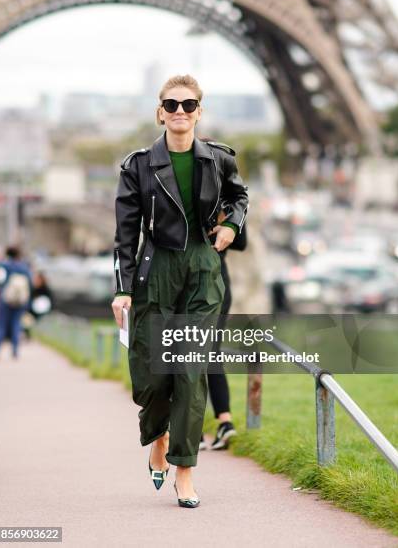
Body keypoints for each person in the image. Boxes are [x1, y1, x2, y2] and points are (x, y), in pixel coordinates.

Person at [111, 74, 249, 508]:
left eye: (188, 105)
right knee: (152, 377)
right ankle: (158, 434)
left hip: (203, 269)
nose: (180, 112)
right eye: (171, 105)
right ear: (160, 112)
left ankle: (185, 469)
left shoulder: (220, 159)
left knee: (191, 373)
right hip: (157, 268)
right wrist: (122, 289)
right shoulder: (137, 165)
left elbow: (240, 197)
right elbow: (125, 234)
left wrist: (229, 225)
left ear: (199, 112)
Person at [200, 209, 248, 451]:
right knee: (212, 353)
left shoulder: (195, 194)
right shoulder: (230, 203)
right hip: (221, 284)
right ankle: (225, 422)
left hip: (195, 281)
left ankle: (193, 428)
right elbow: (241, 241)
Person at [0, 246, 33, 359]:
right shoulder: (24, 268)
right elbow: (30, 285)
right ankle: (15, 351)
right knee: (16, 324)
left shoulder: (4, 265)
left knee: (1, 324)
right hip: (20, 301)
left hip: (5, 299)